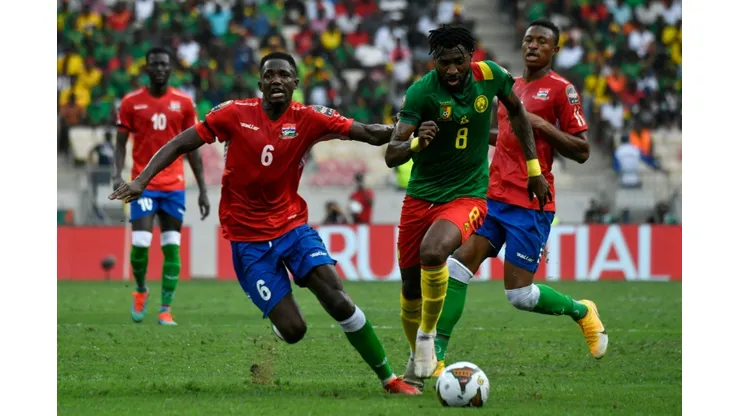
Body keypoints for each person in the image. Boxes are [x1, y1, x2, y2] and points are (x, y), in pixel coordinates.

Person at [109, 52, 431, 395]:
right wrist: (141, 180)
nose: (277, 80)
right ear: (260, 84)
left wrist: (407, 128)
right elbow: (179, 143)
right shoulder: (234, 113)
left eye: (284, 75)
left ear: (296, 83)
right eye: (270, 75)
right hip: (248, 240)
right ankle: (280, 320)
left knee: (337, 298)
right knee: (295, 330)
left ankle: (389, 379)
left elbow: (369, 133)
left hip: (292, 228)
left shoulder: (309, 118)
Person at [432, 20, 608, 377]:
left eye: (542, 41)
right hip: (493, 196)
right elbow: (506, 135)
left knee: (519, 296)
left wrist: (542, 126)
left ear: (554, 50)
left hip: (530, 201)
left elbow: (582, 151)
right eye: (529, 39)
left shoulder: (561, 90)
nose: (533, 45)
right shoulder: (508, 85)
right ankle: (434, 356)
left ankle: (582, 311)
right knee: (458, 267)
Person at [384, 24, 550, 386]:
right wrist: (416, 143)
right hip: (420, 196)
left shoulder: (491, 76)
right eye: (444, 63)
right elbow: (392, 155)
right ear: (434, 61)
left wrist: (534, 168)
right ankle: (416, 362)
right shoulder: (420, 92)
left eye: (458, 61)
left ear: (470, 57)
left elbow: (518, 113)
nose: (452, 70)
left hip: (468, 194)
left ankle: (428, 337)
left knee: (434, 251)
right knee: (410, 288)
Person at [112, 47, 211, 326]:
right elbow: (120, 143)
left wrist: (203, 189)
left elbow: (193, 148)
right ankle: (141, 289)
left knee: (171, 246)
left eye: (164, 64)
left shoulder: (184, 103)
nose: (159, 69)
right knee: (141, 242)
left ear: (170, 69)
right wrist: (116, 175)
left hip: (174, 186)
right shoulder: (131, 102)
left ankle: (165, 308)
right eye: (154, 64)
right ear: (147, 68)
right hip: (141, 185)